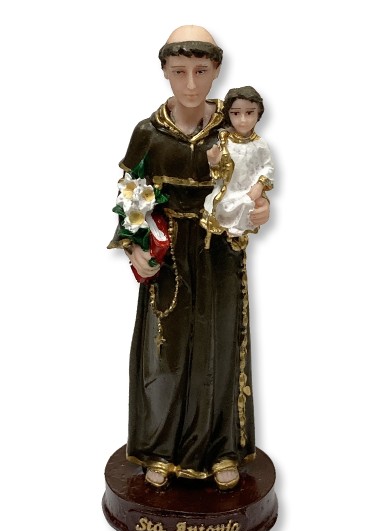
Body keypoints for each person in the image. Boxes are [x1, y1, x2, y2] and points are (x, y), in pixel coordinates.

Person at [107, 25, 270, 490]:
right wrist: (135, 246)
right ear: (165, 72)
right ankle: (160, 448)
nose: (191, 84)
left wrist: (260, 206)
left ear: (217, 71)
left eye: (201, 71)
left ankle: (221, 448)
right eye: (180, 72)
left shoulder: (234, 127)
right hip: (170, 255)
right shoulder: (148, 133)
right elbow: (130, 195)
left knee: (220, 345)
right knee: (166, 349)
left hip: (219, 249)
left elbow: (254, 177)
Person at [202, 86, 274, 239]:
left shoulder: (260, 145)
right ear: (228, 114)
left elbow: (267, 166)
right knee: (222, 205)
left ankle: (238, 229)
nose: (243, 120)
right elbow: (218, 172)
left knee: (246, 204)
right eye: (236, 113)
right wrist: (214, 161)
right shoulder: (225, 141)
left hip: (247, 190)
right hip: (228, 189)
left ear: (259, 113)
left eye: (249, 113)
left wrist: (259, 185)